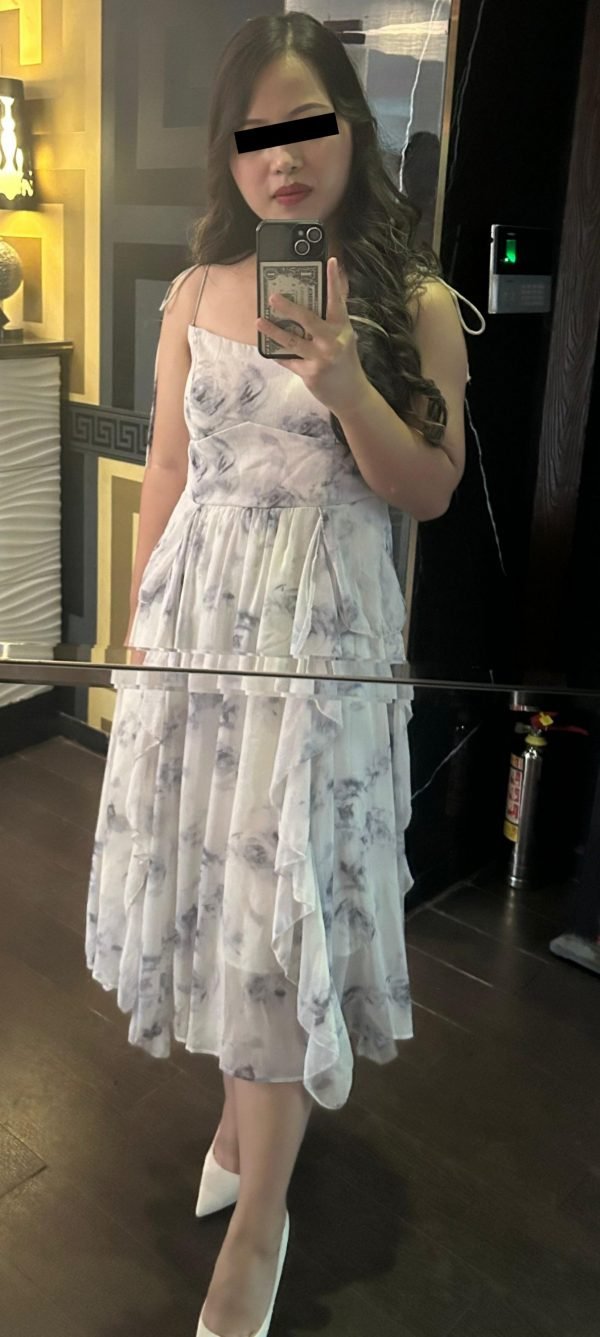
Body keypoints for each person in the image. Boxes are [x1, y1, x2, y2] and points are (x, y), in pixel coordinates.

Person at [85, 13, 483, 1337]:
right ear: (231, 151)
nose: (285, 157)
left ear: (351, 134)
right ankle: (240, 1122)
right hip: (202, 639)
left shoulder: (416, 304)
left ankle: (263, 1216)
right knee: (222, 892)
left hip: (320, 648)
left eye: (309, 124)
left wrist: (348, 381)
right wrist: (141, 635)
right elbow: (172, 471)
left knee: (280, 909)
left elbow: (428, 491)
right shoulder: (197, 292)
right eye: (258, 133)